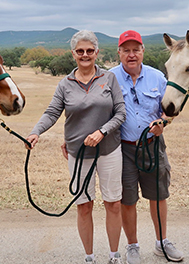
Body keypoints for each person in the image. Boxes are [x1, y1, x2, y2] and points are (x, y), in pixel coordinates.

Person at [26, 30, 126, 264]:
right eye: (80, 51)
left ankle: (114, 255)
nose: (85, 55)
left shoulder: (108, 79)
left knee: (113, 203)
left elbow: (121, 112)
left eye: (89, 51)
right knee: (84, 206)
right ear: (73, 54)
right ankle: (89, 257)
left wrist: (102, 131)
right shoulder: (65, 84)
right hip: (79, 154)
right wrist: (35, 132)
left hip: (109, 150)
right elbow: (52, 112)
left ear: (97, 52)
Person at [109, 30, 184, 263]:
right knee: (127, 199)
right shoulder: (108, 78)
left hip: (152, 146)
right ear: (119, 53)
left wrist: (163, 121)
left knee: (158, 195)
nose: (131, 55)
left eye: (136, 49)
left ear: (143, 51)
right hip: (122, 148)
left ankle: (162, 242)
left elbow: (170, 107)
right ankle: (132, 246)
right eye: (126, 50)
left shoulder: (158, 78)